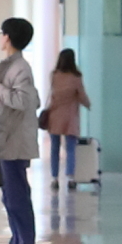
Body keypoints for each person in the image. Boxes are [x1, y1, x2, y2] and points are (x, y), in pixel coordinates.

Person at [0, 16, 40, 244]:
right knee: (10, 198)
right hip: (6, 141)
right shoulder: (12, 66)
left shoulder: (20, 68)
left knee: (17, 199)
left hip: (14, 143)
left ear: (8, 37)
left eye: (1, 33)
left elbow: (24, 100)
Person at [45, 47, 91, 186]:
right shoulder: (76, 77)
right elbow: (82, 95)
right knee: (71, 148)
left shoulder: (54, 75)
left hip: (55, 115)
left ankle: (54, 178)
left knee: (54, 148)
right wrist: (88, 104)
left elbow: (53, 94)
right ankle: (70, 178)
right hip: (70, 116)